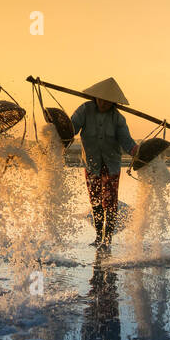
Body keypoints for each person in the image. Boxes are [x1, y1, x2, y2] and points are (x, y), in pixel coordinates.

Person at [70, 78, 137, 250]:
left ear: (113, 103)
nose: (103, 103)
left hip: (111, 165)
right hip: (92, 165)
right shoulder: (84, 110)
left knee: (110, 203)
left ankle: (107, 240)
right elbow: (71, 129)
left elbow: (127, 141)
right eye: (100, 99)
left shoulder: (118, 118)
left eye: (107, 101)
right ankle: (98, 236)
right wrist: (59, 130)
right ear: (95, 98)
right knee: (96, 202)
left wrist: (136, 151)